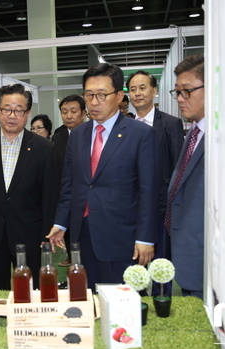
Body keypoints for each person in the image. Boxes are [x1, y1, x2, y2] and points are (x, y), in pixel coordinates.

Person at [47, 63, 160, 291]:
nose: (94, 102)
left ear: (119, 96)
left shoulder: (141, 135)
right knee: (85, 298)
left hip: (122, 238)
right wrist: (61, 222)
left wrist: (145, 238)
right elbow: (70, 186)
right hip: (82, 236)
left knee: (122, 304)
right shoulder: (78, 135)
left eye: (101, 95)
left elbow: (150, 192)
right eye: (89, 95)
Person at [0, 83, 59, 290]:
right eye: (6, 109)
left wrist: (46, 235)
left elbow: (50, 194)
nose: (12, 115)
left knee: (32, 289)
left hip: (29, 233)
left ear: (27, 113)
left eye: (18, 110)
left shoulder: (45, 148)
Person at [126, 69, 185, 296]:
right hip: (131, 211)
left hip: (160, 211)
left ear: (154, 91)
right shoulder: (125, 127)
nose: (137, 93)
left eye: (142, 88)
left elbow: (176, 170)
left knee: (160, 267)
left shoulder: (170, 124)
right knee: (134, 268)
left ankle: (162, 305)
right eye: (132, 89)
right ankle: (134, 306)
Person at [165, 54, 206, 299]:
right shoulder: (193, 132)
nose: (180, 99)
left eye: (187, 91)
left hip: (206, 256)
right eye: (178, 92)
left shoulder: (221, 137)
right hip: (187, 249)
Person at [51, 94, 88, 267]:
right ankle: (71, 258)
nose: (68, 115)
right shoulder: (58, 137)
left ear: (83, 113)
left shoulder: (91, 135)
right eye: (64, 112)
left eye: (73, 111)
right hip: (63, 194)